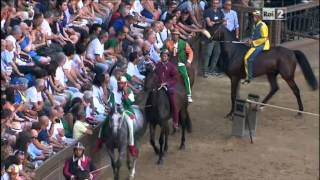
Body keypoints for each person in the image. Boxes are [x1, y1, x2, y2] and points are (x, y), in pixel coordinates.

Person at [165, 30, 194, 103]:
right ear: (172, 35)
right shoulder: (168, 43)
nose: (175, 36)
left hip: (180, 63)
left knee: (185, 76)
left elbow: (190, 52)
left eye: (176, 35)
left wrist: (189, 61)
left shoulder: (184, 43)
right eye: (173, 35)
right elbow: (163, 51)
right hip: (170, 63)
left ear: (178, 35)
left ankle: (188, 95)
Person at [242, 10, 270, 84]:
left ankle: (249, 78)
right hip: (256, 44)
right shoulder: (255, 24)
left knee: (248, 59)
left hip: (262, 45)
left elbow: (264, 38)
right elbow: (254, 36)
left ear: (258, 17)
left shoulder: (263, 26)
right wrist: (250, 40)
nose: (252, 18)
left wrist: (253, 42)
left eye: (254, 16)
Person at [155, 49, 179, 129]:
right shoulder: (158, 65)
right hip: (158, 86)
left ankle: (175, 121)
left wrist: (166, 83)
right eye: (162, 56)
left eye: (165, 56)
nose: (163, 57)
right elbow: (155, 75)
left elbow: (175, 78)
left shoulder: (172, 66)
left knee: (173, 103)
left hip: (169, 87)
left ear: (168, 57)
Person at [202, 0, 226, 78]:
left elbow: (225, 22)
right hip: (210, 36)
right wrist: (219, 22)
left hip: (218, 37)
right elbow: (209, 23)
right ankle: (205, 71)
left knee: (217, 53)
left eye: (217, 3)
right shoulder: (207, 11)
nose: (215, 4)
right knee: (208, 53)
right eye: (214, 3)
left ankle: (211, 70)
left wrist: (215, 22)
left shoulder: (220, 11)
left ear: (218, 4)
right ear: (212, 3)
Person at [117, 76, 138, 157]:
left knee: (130, 125)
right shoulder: (116, 91)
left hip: (127, 110)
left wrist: (126, 96)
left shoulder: (129, 91)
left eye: (121, 83)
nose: (120, 85)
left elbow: (130, 103)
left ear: (125, 84)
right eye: (119, 83)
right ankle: (100, 139)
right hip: (117, 110)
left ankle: (131, 145)